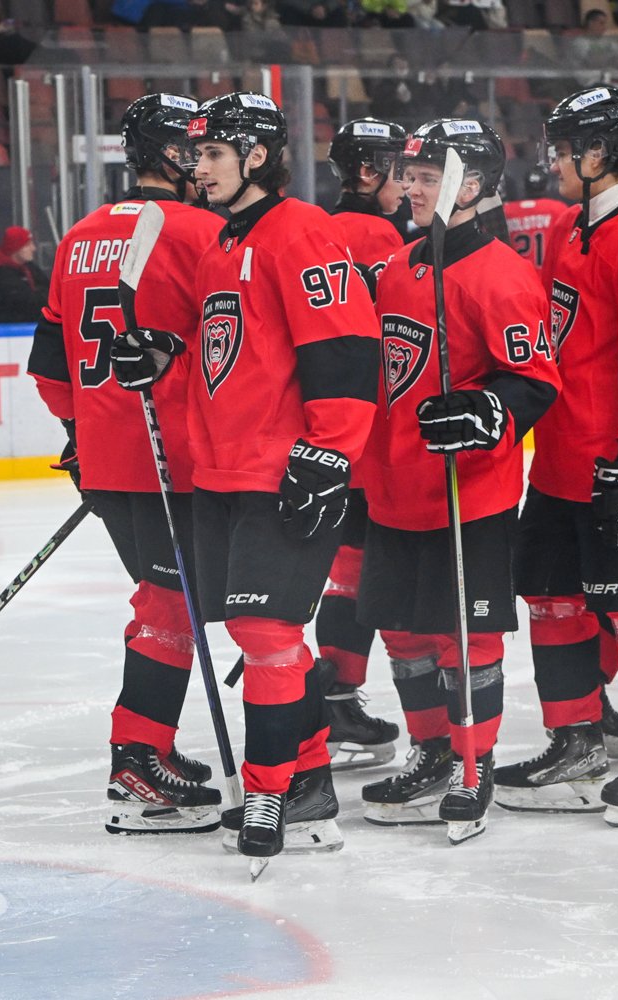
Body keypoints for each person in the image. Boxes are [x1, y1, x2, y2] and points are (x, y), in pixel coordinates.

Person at [149, 91, 381, 868]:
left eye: (213, 154)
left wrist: (330, 451)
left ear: (256, 155)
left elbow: (346, 347)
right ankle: (309, 782)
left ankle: (271, 791)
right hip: (223, 474)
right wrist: (158, 356)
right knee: (262, 635)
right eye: (195, 155)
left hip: (284, 472)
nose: (199, 168)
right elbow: (224, 349)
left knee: (266, 633)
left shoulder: (301, 230)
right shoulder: (223, 241)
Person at [356, 119, 558, 844]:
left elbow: (535, 380)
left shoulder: (502, 274)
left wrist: (487, 408)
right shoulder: (395, 267)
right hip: (392, 485)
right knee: (402, 632)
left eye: (427, 176)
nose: (410, 187)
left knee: (463, 637)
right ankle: (432, 753)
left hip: (466, 492)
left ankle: (474, 766)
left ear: (471, 185)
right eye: (407, 175)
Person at [30, 93, 225, 836]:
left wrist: (82, 433)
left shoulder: (81, 235)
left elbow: (50, 366)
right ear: (172, 154)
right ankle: (138, 759)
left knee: (162, 602)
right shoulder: (204, 231)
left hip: (110, 462)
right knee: (171, 608)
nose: (204, 162)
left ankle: (151, 749)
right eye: (196, 149)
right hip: (179, 460)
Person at [504, 86, 618, 826]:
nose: (554, 162)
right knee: (552, 597)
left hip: (616, 460)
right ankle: (578, 741)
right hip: (559, 460)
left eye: (563, 150)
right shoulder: (568, 225)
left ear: (599, 153)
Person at [311, 118, 408, 772]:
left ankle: (334, 700)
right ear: (369, 172)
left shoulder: (315, 228)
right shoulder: (380, 236)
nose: (410, 185)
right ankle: (426, 719)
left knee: (346, 569)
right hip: (375, 435)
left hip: (329, 434)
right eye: (401, 171)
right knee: (383, 570)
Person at [502, 165, 572, 276]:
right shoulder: (557, 208)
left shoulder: (507, 210)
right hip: (547, 275)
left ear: (524, 186)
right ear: (545, 186)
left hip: (518, 276)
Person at [0, 225, 48, 323]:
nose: (33, 248)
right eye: (28, 245)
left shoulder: (29, 267)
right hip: (15, 330)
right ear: (16, 248)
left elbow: (51, 289)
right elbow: (28, 303)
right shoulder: (1, 274)